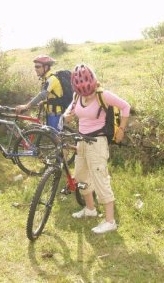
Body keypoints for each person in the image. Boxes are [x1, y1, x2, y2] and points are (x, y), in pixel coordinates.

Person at [64, 64, 130, 234]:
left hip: (97, 142)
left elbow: (125, 106)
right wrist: (67, 116)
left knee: (100, 179)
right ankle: (90, 209)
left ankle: (110, 221)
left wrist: (121, 129)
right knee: (80, 176)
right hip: (81, 141)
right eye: (82, 91)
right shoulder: (76, 96)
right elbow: (69, 111)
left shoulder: (104, 95)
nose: (87, 94)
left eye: (89, 90)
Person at [16, 55, 64, 130]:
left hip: (55, 114)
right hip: (50, 113)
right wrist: (42, 102)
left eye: (38, 67)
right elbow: (49, 95)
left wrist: (26, 106)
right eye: (35, 67)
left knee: (55, 138)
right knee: (51, 136)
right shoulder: (46, 79)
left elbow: (42, 95)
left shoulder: (52, 79)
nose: (35, 69)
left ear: (46, 67)